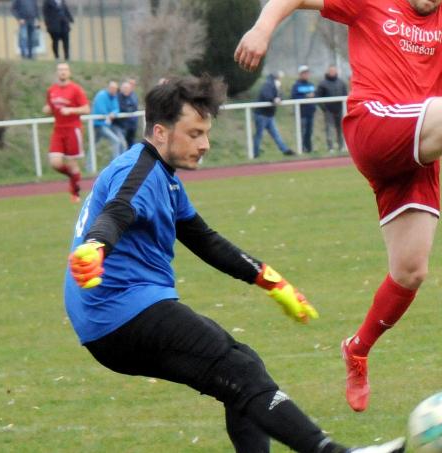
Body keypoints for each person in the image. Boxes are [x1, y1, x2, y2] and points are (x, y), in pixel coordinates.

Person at [235, 0, 442, 413]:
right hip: (374, 125)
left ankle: (357, 349)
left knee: (411, 271)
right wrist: (262, 28)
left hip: (417, 146)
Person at [64, 75, 405, 453]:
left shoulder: (164, 178)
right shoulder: (140, 174)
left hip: (114, 319)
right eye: (194, 133)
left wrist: (272, 281)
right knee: (239, 370)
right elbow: (117, 212)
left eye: (206, 133)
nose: (205, 144)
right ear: (160, 132)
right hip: (121, 312)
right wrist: (96, 246)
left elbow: (204, 240)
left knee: (243, 367)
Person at [43, 63, 90, 202]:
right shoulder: (51, 90)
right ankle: (73, 176)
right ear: (57, 73)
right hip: (58, 130)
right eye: (60, 70)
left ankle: (75, 193)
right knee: (55, 163)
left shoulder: (76, 89)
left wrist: (72, 110)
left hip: (72, 129)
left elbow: (86, 109)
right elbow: (51, 108)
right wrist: (47, 110)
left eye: (65, 70)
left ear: (69, 73)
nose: (62, 72)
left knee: (71, 162)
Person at [254, 71, 293, 157]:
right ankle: (255, 153)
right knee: (259, 135)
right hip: (262, 115)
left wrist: (279, 99)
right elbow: (266, 95)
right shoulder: (268, 85)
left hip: (269, 115)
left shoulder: (276, 86)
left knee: (275, 134)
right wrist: (274, 99)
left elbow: (280, 96)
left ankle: (285, 150)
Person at [315, 65, 348, 153]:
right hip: (328, 110)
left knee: (340, 128)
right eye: (331, 71)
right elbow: (318, 97)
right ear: (328, 72)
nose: (332, 72)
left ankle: (341, 146)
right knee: (329, 128)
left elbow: (346, 95)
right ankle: (331, 147)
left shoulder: (341, 82)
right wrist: (324, 108)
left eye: (334, 70)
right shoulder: (323, 83)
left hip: (339, 109)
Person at [92, 81, 127, 160]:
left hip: (108, 124)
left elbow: (116, 109)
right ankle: (116, 164)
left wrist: (113, 114)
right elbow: (101, 109)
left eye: (115, 88)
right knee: (115, 141)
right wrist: (109, 114)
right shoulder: (101, 95)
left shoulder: (114, 97)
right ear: (108, 88)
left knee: (122, 142)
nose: (114, 90)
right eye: (112, 88)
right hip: (99, 124)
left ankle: (121, 162)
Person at [291, 65, 316, 153]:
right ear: (300, 74)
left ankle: (309, 149)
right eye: (304, 73)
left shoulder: (311, 85)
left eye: (307, 73)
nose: (306, 75)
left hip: (310, 112)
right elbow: (294, 97)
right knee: (302, 131)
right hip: (301, 113)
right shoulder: (296, 85)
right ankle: (301, 148)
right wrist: (306, 96)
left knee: (309, 132)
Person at [114, 79, 139, 148]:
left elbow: (134, 107)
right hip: (121, 125)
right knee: (121, 144)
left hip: (132, 125)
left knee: (131, 144)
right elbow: (122, 108)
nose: (126, 90)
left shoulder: (133, 96)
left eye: (127, 88)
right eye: (124, 88)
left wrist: (129, 109)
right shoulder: (118, 96)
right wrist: (128, 109)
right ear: (121, 88)